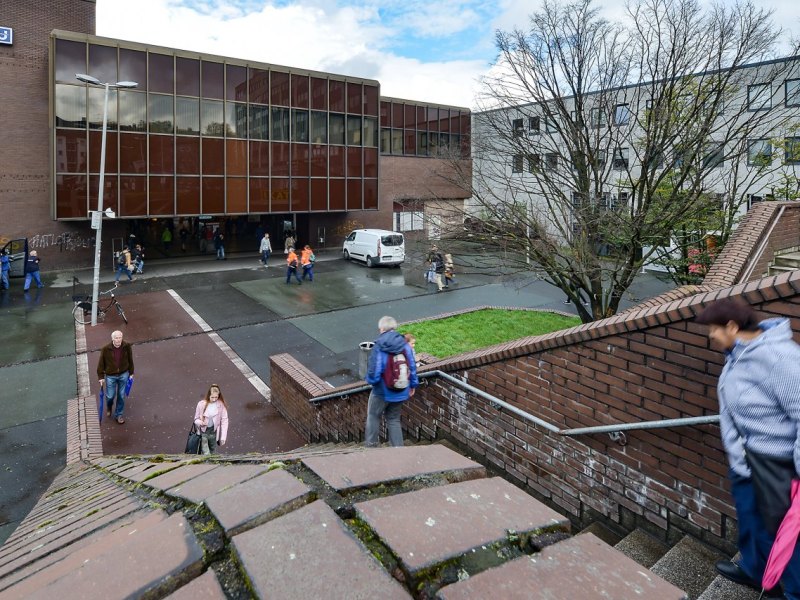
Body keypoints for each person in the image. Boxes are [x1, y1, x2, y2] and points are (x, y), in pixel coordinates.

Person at [696, 298, 800, 599]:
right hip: (746, 460)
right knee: (750, 520)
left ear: (732, 326)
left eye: (713, 329)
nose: (710, 336)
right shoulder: (737, 355)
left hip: (777, 465)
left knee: (783, 536)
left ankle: (792, 592)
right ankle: (756, 572)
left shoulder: (781, 358)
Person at [364, 316, 418, 447]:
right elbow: (412, 366)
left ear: (381, 328)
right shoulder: (405, 344)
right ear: (394, 327)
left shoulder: (379, 345)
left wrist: (371, 381)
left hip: (382, 390)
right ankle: (398, 449)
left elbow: (375, 371)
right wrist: (413, 385)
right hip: (401, 388)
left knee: (373, 415)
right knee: (393, 419)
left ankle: (371, 446)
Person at [97, 330, 135, 425]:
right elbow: (101, 363)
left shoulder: (127, 346)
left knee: (121, 396)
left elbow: (130, 359)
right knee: (110, 396)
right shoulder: (105, 349)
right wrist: (101, 376)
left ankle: (119, 415)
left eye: (120, 337)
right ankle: (109, 406)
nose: (119, 340)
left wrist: (131, 372)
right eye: (117, 338)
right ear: (112, 339)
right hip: (110, 376)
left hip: (123, 374)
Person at [194, 384, 229, 455]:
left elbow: (225, 421)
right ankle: (207, 464)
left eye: (216, 397)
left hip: (214, 432)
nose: (214, 399)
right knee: (206, 452)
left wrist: (223, 437)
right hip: (203, 432)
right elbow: (196, 419)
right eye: (212, 397)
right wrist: (201, 422)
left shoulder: (221, 405)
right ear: (208, 395)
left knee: (213, 451)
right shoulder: (201, 404)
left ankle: (209, 464)